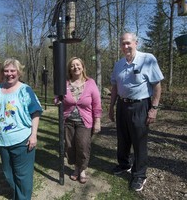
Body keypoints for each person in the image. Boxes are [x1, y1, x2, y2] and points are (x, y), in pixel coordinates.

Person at [109, 32, 164, 192]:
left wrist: (153, 108)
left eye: (128, 43)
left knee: (139, 142)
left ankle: (139, 175)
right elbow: (114, 87)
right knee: (123, 138)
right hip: (122, 105)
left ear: (136, 43)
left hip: (140, 106)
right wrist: (111, 106)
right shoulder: (118, 64)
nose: (125, 46)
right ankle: (124, 164)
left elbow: (157, 86)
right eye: (122, 44)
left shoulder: (148, 59)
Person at [0, 58, 42, 200]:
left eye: (13, 70)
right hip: (2, 141)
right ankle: (18, 195)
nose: (9, 73)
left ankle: (23, 197)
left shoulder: (25, 90)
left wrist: (34, 135)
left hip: (22, 139)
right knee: (8, 173)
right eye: (6, 70)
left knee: (23, 176)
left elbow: (35, 112)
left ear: (19, 72)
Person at [57, 57, 102, 184]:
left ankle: (82, 169)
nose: (75, 67)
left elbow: (97, 104)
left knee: (82, 145)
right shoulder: (64, 83)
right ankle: (76, 168)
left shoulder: (91, 83)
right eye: (72, 66)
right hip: (68, 121)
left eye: (78, 65)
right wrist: (57, 101)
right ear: (69, 69)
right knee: (70, 146)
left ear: (82, 67)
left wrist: (97, 121)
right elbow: (57, 97)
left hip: (85, 121)